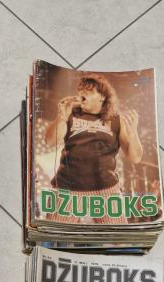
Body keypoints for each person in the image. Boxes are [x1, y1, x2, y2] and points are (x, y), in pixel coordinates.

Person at [45, 73, 143, 224]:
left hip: (106, 189)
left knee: (117, 236)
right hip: (67, 188)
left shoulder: (116, 119)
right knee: (54, 234)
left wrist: (133, 133)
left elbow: (135, 158)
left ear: (102, 97)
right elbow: (50, 141)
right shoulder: (70, 113)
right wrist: (61, 117)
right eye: (80, 89)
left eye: (88, 90)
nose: (81, 93)